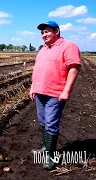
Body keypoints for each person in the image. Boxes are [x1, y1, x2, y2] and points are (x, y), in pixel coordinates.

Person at [29, 21, 81, 170]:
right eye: (42, 33)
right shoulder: (43, 49)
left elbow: (74, 68)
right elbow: (36, 69)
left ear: (57, 31)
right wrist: (33, 87)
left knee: (51, 123)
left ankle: (50, 156)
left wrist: (66, 90)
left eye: (47, 31)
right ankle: (46, 148)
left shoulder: (68, 46)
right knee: (43, 121)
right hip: (40, 92)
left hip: (55, 93)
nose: (43, 35)